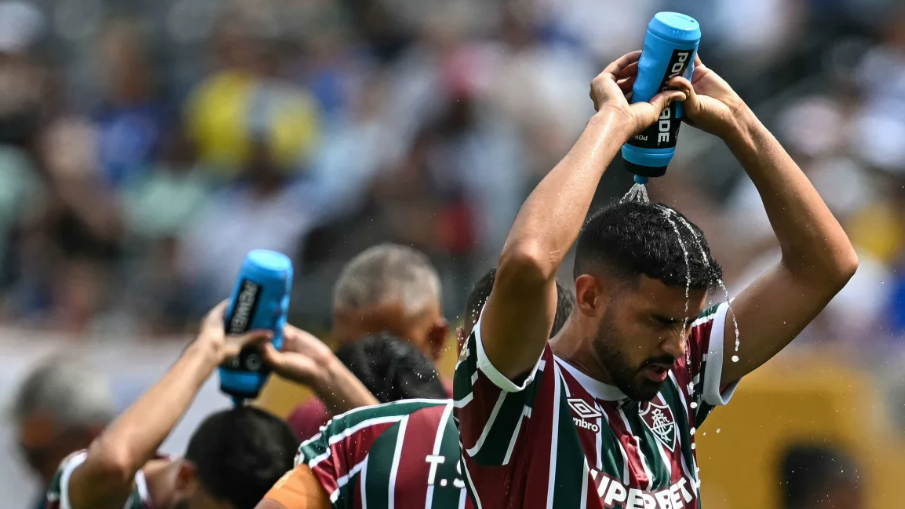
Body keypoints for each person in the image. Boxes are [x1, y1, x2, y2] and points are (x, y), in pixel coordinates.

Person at [454, 51, 858, 509]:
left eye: (685, 323)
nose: (679, 345)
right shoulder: (516, 393)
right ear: (589, 296)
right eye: (659, 321)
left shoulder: (677, 374)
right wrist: (611, 123)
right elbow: (529, 260)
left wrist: (736, 122)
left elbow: (826, 266)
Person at [255, 268, 575, 509]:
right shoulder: (315, 425)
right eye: (346, 348)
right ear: (461, 344)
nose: (369, 356)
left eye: (391, 339)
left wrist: (327, 372)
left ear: (441, 340)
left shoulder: (580, 455)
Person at [46, 301, 376, 509]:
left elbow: (398, 458)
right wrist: (205, 351)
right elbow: (112, 464)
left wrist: (323, 369)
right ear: (185, 477)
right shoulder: (110, 496)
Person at [286, 243, 449, 440]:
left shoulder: (472, 424)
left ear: (436, 340)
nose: (361, 367)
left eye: (384, 351)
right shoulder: (308, 425)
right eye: (346, 353)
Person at [12, 357, 115, 509]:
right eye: (25, 452)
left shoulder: (144, 496)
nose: (32, 469)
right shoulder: (51, 498)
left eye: (39, 457)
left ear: (92, 438)